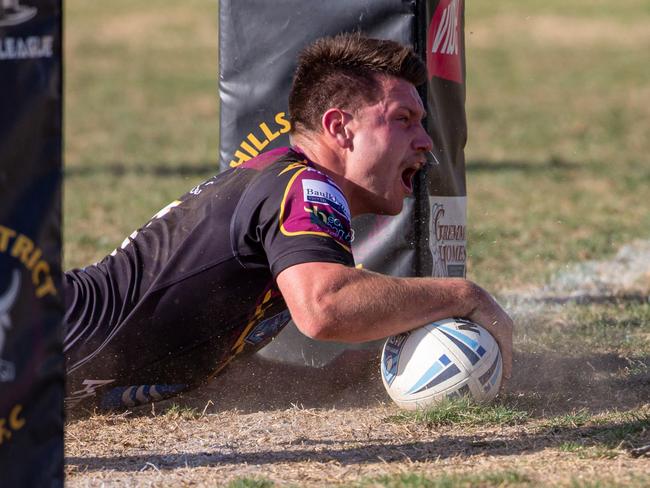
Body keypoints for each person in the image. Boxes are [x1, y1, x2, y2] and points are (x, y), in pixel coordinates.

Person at [63, 33, 513, 410]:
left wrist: (326, 382)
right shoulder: (305, 187)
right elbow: (324, 308)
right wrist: (463, 296)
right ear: (339, 128)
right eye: (403, 120)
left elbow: (198, 356)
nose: (425, 141)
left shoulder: (280, 179)